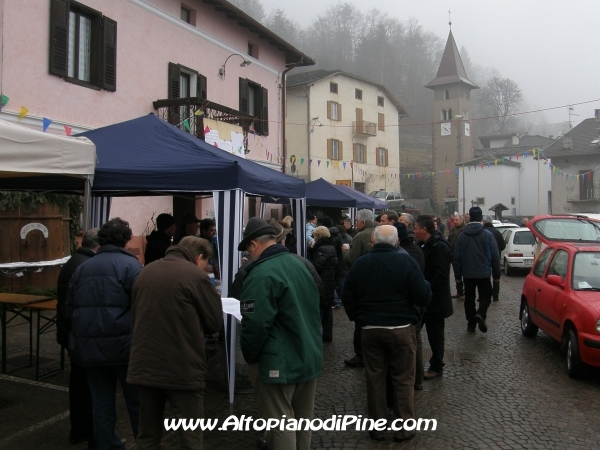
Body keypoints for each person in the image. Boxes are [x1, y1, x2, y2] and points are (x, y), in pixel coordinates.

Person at [128, 237, 223, 450]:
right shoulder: (195, 276)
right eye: (205, 262)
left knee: (147, 436)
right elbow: (214, 321)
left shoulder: (146, 271)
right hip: (182, 366)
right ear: (198, 257)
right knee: (190, 436)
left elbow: (135, 316)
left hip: (146, 364)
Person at [238, 217, 322, 450]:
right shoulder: (301, 264)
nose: (248, 254)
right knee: (303, 420)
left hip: (279, 360)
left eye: (247, 248)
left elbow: (254, 324)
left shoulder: (260, 273)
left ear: (254, 245)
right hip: (308, 353)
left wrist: (251, 356)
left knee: (280, 423)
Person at [342, 225, 431, 442]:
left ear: (373, 241)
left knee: (375, 378)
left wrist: (358, 318)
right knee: (403, 378)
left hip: (371, 330)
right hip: (401, 329)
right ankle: (404, 427)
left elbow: (347, 295)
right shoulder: (407, 262)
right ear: (396, 242)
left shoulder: (361, 264)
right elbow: (423, 296)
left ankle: (378, 427)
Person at [66, 218, 142, 450]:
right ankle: (146, 443)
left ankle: (106, 445)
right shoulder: (131, 267)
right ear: (126, 240)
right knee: (137, 402)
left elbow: (71, 307)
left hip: (90, 349)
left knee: (101, 403)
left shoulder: (82, 268)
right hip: (123, 347)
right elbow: (141, 308)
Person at [56, 228, 99, 447]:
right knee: (85, 386)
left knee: (79, 385)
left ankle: (79, 429)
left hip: (70, 332)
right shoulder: (83, 265)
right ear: (98, 246)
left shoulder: (75, 261)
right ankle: (84, 430)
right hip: (77, 333)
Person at [414, 215, 453, 380]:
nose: (414, 231)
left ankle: (436, 366)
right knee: (415, 332)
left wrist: (426, 290)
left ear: (424, 229)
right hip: (425, 298)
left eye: (415, 228)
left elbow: (441, 277)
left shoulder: (439, 246)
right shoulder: (423, 244)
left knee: (435, 336)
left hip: (435, 301)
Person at [454, 207, 501, 333]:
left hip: (467, 273)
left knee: (469, 299)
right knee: (486, 295)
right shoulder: (488, 235)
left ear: (469, 217)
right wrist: (496, 274)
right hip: (484, 272)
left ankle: (471, 324)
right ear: (481, 218)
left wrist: (457, 276)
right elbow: (495, 256)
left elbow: (457, 257)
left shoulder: (462, 235)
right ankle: (480, 313)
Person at [393, 221, 425, 391]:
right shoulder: (416, 249)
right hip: (414, 305)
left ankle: (410, 382)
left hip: (408, 308)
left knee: (410, 345)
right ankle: (417, 380)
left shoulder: (405, 254)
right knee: (415, 342)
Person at [342, 209, 375, 367]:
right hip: (375, 282)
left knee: (360, 321)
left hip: (361, 283)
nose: (355, 222)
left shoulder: (360, 236)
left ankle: (360, 354)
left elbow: (352, 259)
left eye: (357, 220)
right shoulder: (378, 232)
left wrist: (345, 252)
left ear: (362, 222)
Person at [311, 226, 338, 342]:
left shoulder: (322, 250)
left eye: (315, 236)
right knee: (327, 311)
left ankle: (316, 336)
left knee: (319, 311)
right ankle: (327, 335)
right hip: (329, 282)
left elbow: (317, 267)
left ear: (319, 236)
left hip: (322, 283)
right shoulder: (331, 247)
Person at [483, 215, 506, 302]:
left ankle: (486, 294)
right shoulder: (497, 232)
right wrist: (498, 250)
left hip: (485, 257)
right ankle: (495, 296)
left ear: (484, 222)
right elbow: (503, 245)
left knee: (485, 276)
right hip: (496, 256)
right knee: (496, 277)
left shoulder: (483, 232)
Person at [448, 213, 466, 299]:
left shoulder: (466, 229)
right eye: (454, 220)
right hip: (454, 256)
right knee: (457, 275)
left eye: (457, 220)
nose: (455, 222)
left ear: (462, 220)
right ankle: (459, 291)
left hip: (464, 256)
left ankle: (466, 292)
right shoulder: (452, 230)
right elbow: (449, 241)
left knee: (465, 275)